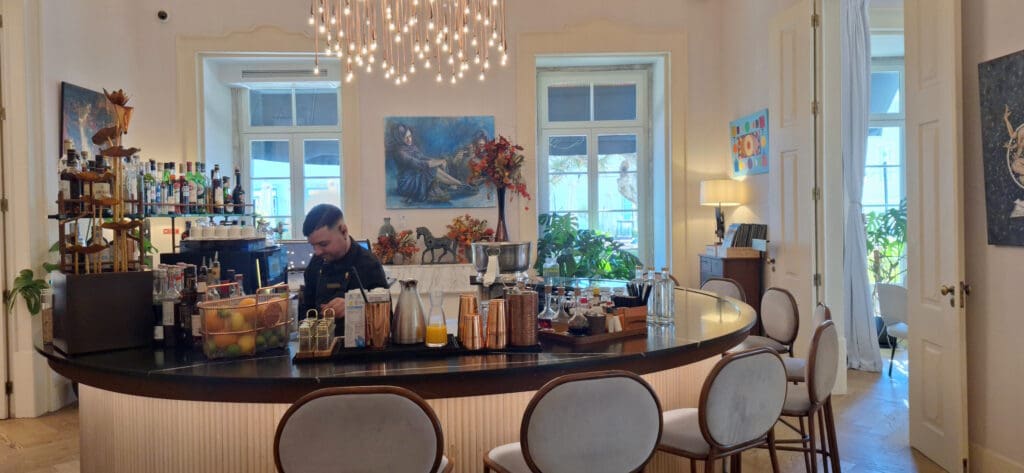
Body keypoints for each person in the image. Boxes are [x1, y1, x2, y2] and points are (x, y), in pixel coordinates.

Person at [300, 204, 388, 334]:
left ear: (344, 231)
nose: (317, 252)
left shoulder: (369, 265)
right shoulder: (316, 263)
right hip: (320, 346)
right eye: (313, 246)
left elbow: (385, 319)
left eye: (323, 244)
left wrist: (353, 306)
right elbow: (307, 311)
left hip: (357, 350)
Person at [390, 123, 467, 203]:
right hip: (407, 184)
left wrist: (439, 161)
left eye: (410, 136)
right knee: (432, 169)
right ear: (399, 138)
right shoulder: (399, 152)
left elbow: (423, 157)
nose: (409, 140)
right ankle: (461, 185)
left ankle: (455, 185)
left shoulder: (412, 147)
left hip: (416, 176)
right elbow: (419, 164)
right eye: (405, 138)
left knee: (437, 164)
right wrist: (439, 162)